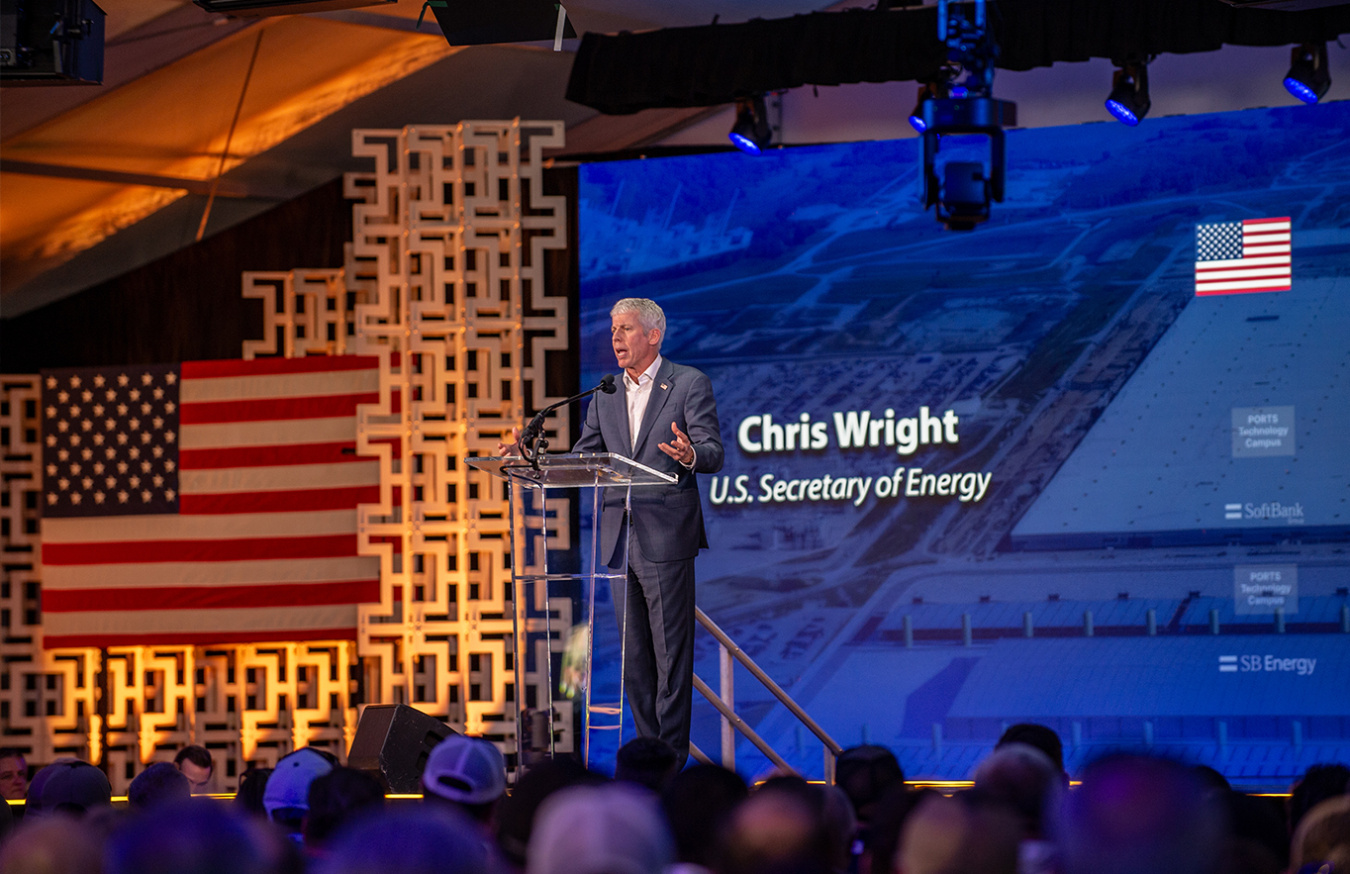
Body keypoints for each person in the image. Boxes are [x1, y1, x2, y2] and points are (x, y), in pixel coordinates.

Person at [502, 297, 723, 768]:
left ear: (653, 334)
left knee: (671, 660)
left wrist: (689, 455)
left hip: (666, 535)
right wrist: (532, 459)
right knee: (635, 663)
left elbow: (712, 450)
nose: (616, 338)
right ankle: (649, 759)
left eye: (625, 329)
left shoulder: (687, 383)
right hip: (618, 541)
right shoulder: (604, 393)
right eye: (613, 329)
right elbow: (587, 459)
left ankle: (671, 760)